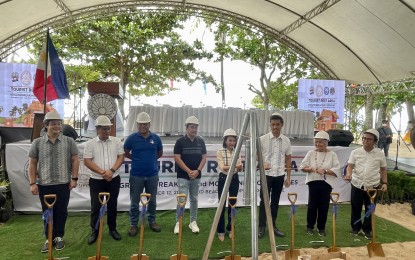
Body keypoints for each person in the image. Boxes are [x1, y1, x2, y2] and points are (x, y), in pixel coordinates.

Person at [28, 110, 79, 253]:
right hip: (44, 184)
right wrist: (32, 183)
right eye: (53, 124)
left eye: (59, 124)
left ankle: (59, 237)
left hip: (63, 183)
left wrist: (74, 178)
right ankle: (49, 238)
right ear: (46, 125)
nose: (57, 126)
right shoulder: (37, 143)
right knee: (47, 212)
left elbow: (75, 160)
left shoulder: (69, 141)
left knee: (61, 211)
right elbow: (32, 163)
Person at [83, 115, 124, 245]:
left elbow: (121, 157)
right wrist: (103, 172)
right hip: (96, 180)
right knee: (96, 206)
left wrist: (111, 171)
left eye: (108, 129)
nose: (107, 131)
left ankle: (112, 229)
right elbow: (87, 161)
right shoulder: (90, 144)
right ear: (97, 129)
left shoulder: (117, 141)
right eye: (104, 129)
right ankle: (95, 230)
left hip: (114, 179)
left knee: (112, 206)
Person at [124, 112, 163, 236]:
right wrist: (135, 158)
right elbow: (125, 151)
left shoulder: (156, 138)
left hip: (152, 175)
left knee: (153, 201)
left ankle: (152, 221)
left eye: (145, 124)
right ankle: (133, 224)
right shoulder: (132, 138)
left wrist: (151, 161)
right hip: (136, 175)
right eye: (140, 124)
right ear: (137, 125)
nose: (143, 127)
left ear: (149, 124)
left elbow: (160, 153)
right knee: (134, 201)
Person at [344, 129, 388, 239]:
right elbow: (350, 166)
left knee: (370, 209)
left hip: (373, 186)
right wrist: (349, 174)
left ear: (375, 142)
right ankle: (355, 228)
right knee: (356, 207)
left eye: (369, 139)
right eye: (364, 138)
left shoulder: (379, 153)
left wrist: (385, 183)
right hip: (357, 183)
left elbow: (383, 169)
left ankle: (367, 229)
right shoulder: (355, 152)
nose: (365, 141)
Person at [300, 131, 340, 237]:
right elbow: (302, 167)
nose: (318, 144)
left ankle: (321, 228)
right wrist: (309, 169)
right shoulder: (311, 153)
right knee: (312, 206)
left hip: (326, 184)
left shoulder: (332, 155)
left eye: (320, 142)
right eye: (316, 142)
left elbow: (337, 170)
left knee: (324, 207)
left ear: (326, 143)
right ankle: (310, 227)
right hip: (313, 182)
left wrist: (325, 171)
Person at [258, 112, 291, 238]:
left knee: (275, 202)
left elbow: (288, 159)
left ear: (282, 125)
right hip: (266, 175)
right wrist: (262, 163)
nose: (275, 127)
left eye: (277, 124)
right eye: (273, 124)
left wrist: (288, 177)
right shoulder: (262, 139)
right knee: (264, 201)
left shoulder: (287, 141)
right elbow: (256, 155)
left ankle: (273, 226)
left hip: (280, 175)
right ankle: (262, 227)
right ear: (270, 125)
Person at [173, 115, 207, 234]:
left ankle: (193, 222)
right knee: (182, 199)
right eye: (191, 127)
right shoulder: (180, 142)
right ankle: (179, 222)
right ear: (186, 128)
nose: (194, 129)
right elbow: (177, 158)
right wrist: (188, 171)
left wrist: (197, 170)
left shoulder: (201, 141)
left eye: (195, 127)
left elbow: (204, 158)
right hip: (183, 176)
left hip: (196, 175)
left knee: (194, 199)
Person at [216, 128, 243, 241]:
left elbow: (240, 167)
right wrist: (236, 166)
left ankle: (230, 228)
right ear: (225, 140)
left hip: (234, 178)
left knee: (232, 204)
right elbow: (222, 167)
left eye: (233, 140)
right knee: (221, 204)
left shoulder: (237, 151)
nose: (232, 143)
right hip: (223, 178)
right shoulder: (220, 152)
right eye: (230, 140)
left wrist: (237, 167)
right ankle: (220, 230)